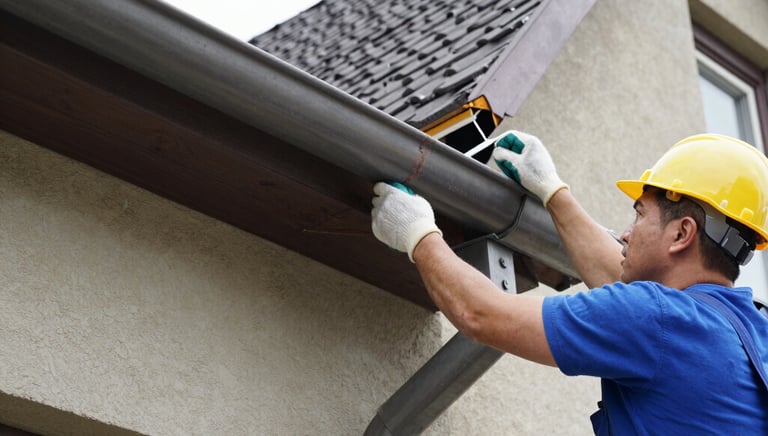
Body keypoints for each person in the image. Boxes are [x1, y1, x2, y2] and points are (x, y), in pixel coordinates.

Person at [370, 131, 768, 434]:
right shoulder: (750, 332)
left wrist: (418, 233)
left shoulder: (658, 319)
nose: (625, 234)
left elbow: (482, 314)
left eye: (639, 215)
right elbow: (621, 281)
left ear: (681, 234)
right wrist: (552, 191)